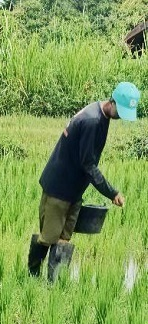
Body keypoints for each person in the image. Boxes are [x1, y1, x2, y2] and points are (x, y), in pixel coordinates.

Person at [28, 82, 140, 281]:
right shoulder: (92, 121)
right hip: (59, 187)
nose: (121, 116)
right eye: (121, 111)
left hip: (73, 189)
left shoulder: (101, 114)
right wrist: (112, 193)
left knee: (64, 239)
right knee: (48, 237)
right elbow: (88, 164)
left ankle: (54, 285)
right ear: (112, 101)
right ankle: (32, 277)